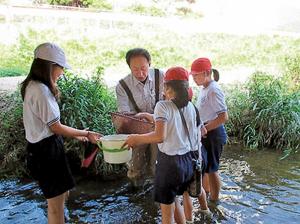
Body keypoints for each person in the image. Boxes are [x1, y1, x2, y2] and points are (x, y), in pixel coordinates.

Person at [21, 42, 101, 224]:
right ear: (50, 66)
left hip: (44, 148)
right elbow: (55, 126)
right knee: (56, 208)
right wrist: (86, 133)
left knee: (61, 195)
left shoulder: (32, 86)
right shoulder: (40, 90)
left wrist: (77, 134)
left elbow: (51, 125)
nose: (62, 72)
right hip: (46, 152)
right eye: (61, 68)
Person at [124, 66, 202, 224]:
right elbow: (174, 121)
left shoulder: (162, 105)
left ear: (167, 87)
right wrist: (151, 117)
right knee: (175, 201)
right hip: (187, 162)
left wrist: (136, 139)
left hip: (170, 164)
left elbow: (160, 136)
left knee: (167, 216)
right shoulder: (191, 107)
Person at [115, 48, 164, 186]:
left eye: (143, 68)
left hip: (159, 127)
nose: (140, 73)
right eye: (135, 69)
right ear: (129, 67)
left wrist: (153, 117)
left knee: (158, 165)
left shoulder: (161, 76)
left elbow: (170, 105)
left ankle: (158, 195)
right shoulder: (122, 86)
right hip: (136, 128)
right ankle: (136, 190)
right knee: (135, 167)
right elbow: (124, 114)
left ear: (149, 63)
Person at [190, 57, 228, 204]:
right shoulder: (205, 88)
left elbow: (223, 117)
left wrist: (204, 129)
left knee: (212, 170)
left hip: (213, 134)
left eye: (196, 75)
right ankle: (206, 195)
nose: (193, 79)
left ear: (206, 73)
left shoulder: (213, 90)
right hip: (206, 133)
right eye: (192, 75)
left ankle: (214, 200)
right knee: (206, 168)